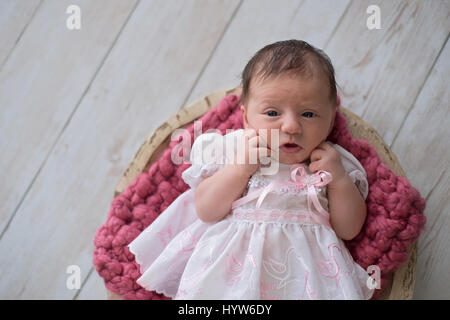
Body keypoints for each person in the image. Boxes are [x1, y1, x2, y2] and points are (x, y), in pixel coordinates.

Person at [128, 40, 374, 299]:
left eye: (309, 114)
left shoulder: (331, 164)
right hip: (232, 278)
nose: (291, 126)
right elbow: (206, 210)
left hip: (307, 281)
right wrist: (238, 169)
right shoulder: (236, 150)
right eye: (272, 112)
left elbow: (349, 229)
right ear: (246, 118)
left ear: (331, 119)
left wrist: (340, 182)